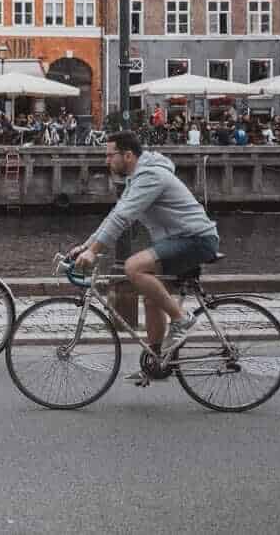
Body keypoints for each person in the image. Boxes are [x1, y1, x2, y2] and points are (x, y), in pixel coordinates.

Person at [71, 131, 219, 381]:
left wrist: (94, 252)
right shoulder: (136, 179)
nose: (106, 161)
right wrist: (86, 245)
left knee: (133, 267)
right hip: (176, 240)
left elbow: (122, 218)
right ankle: (157, 362)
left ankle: (182, 320)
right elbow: (114, 215)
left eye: (110, 155)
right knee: (152, 297)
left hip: (196, 239)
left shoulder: (150, 176)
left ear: (127, 155)